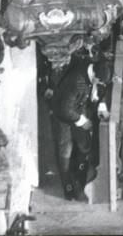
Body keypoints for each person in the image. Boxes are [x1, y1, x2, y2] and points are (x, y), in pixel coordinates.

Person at [51, 55, 112, 201]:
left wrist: (102, 106)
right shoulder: (78, 81)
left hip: (79, 108)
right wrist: (81, 120)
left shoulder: (95, 72)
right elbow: (66, 109)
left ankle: (80, 178)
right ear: (95, 77)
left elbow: (100, 90)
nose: (101, 84)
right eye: (100, 82)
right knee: (65, 149)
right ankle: (68, 187)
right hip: (63, 115)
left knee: (84, 144)